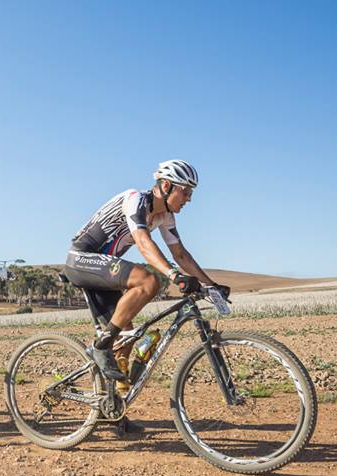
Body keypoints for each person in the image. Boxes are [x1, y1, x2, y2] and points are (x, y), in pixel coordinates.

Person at [64, 160, 230, 431]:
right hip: (82, 260)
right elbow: (142, 241)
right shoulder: (135, 200)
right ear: (166, 186)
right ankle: (100, 347)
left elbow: (181, 254)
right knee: (149, 280)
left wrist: (211, 285)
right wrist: (172, 275)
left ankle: (112, 412)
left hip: (105, 271)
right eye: (186, 191)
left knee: (126, 339)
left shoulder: (166, 217)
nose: (189, 198)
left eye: (191, 193)